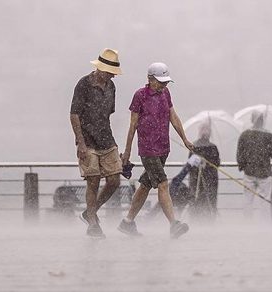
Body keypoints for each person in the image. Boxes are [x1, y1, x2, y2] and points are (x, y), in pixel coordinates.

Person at [118, 62, 194, 239]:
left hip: (163, 147)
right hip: (148, 149)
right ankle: (174, 225)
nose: (163, 85)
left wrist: (184, 139)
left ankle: (127, 222)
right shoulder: (140, 96)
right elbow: (132, 125)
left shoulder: (166, 93)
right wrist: (127, 152)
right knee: (163, 183)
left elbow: (173, 117)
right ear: (150, 79)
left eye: (166, 82)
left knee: (145, 185)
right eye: (160, 82)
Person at [70, 48, 123, 239]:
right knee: (93, 181)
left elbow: (107, 115)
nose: (112, 77)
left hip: (106, 139)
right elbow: (74, 114)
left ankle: (90, 211)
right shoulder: (84, 84)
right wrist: (81, 143)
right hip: (88, 141)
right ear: (100, 69)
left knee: (114, 180)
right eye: (110, 72)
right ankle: (92, 222)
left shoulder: (111, 87)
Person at [236, 112, 272, 220]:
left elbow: (239, 154)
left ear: (252, 120)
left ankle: (247, 223)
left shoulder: (244, 135)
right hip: (264, 173)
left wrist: (243, 166)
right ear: (263, 121)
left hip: (249, 173)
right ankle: (265, 224)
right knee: (265, 201)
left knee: (247, 201)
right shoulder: (269, 136)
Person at [188, 123, 221, 220]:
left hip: (197, 179)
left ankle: (196, 218)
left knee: (197, 199)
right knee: (210, 200)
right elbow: (217, 163)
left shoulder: (194, 146)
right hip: (210, 180)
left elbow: (190, 163)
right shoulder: (212, 147)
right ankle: (209, 219)